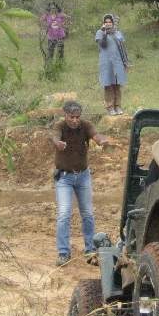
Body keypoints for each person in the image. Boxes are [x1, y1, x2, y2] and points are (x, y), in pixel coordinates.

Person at [51, 101, 109, 266]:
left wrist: (101, 141)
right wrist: (58, 144)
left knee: (88, 214)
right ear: (65, 115)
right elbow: (55, 137)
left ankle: (90, 250)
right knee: (64, 214)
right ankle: (63, 253)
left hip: (83, 176)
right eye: (72, 117)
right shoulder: (60, 126)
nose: (75, 120)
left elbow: (95, 135)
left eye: (77, 117)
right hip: (64, 178)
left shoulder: (86, 125)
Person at [95, 14, 131, 115]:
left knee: (117, 85)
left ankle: (118, 106)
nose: (108, 24)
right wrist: (105, 33)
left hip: (118, 62)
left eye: (110, 22)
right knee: (108, 85)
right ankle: (110, 107)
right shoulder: (100, 32)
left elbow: (123, 48)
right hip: (106, 63)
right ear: (103, 23)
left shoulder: (118, 33)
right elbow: (103, 44)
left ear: (113, 23)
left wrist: (125, 62)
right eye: (106, 22)